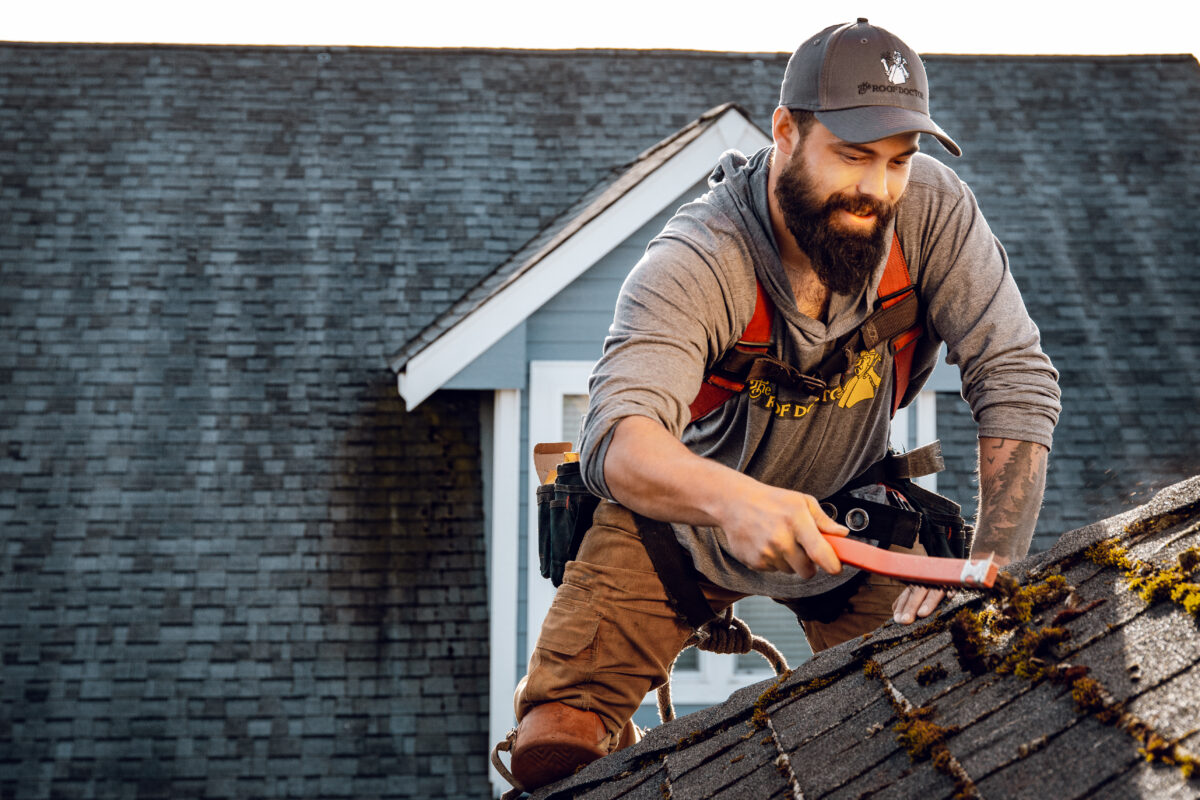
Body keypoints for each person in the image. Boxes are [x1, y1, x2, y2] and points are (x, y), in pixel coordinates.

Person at [506, 18, 1061, 792]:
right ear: (786, 131)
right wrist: (737, 503)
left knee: (957, 702)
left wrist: (985, 565)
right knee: (552, 748)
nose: (877, 189)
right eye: (853, 155)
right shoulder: (700, 258)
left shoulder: (932, 213)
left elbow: (1017, 378)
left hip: (853, 524)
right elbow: (617, 440)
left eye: (899, 161)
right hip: (681, 523)